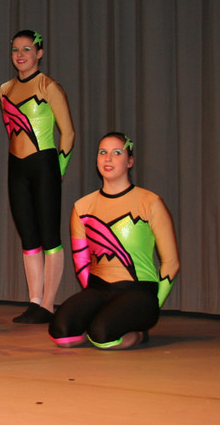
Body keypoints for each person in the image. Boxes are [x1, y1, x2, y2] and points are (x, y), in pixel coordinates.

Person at [49, 133, 179, 349]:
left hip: (138, 291)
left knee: (102, 336)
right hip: (99, 289)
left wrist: (154, 304)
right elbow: (81, 261)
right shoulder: (82, 207)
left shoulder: (150, 202)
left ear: (130, 161)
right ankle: (101, 321)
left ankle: (137, 333)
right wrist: (91, 300)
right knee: (61, 333)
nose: (108, 158)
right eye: (103, 152)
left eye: (117, 153)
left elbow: (171, 263)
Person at [0, 30, 75, 324]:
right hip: (16, 167)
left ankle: (48, 304)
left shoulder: (48, 86)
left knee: (49, 236)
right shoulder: (5, 89)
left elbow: (68, 133)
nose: (20, 55)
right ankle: (34, 301)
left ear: (39, 53)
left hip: (44, 164)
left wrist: (59, 170)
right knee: (28, 237)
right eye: (16, 49)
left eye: (27, 49)